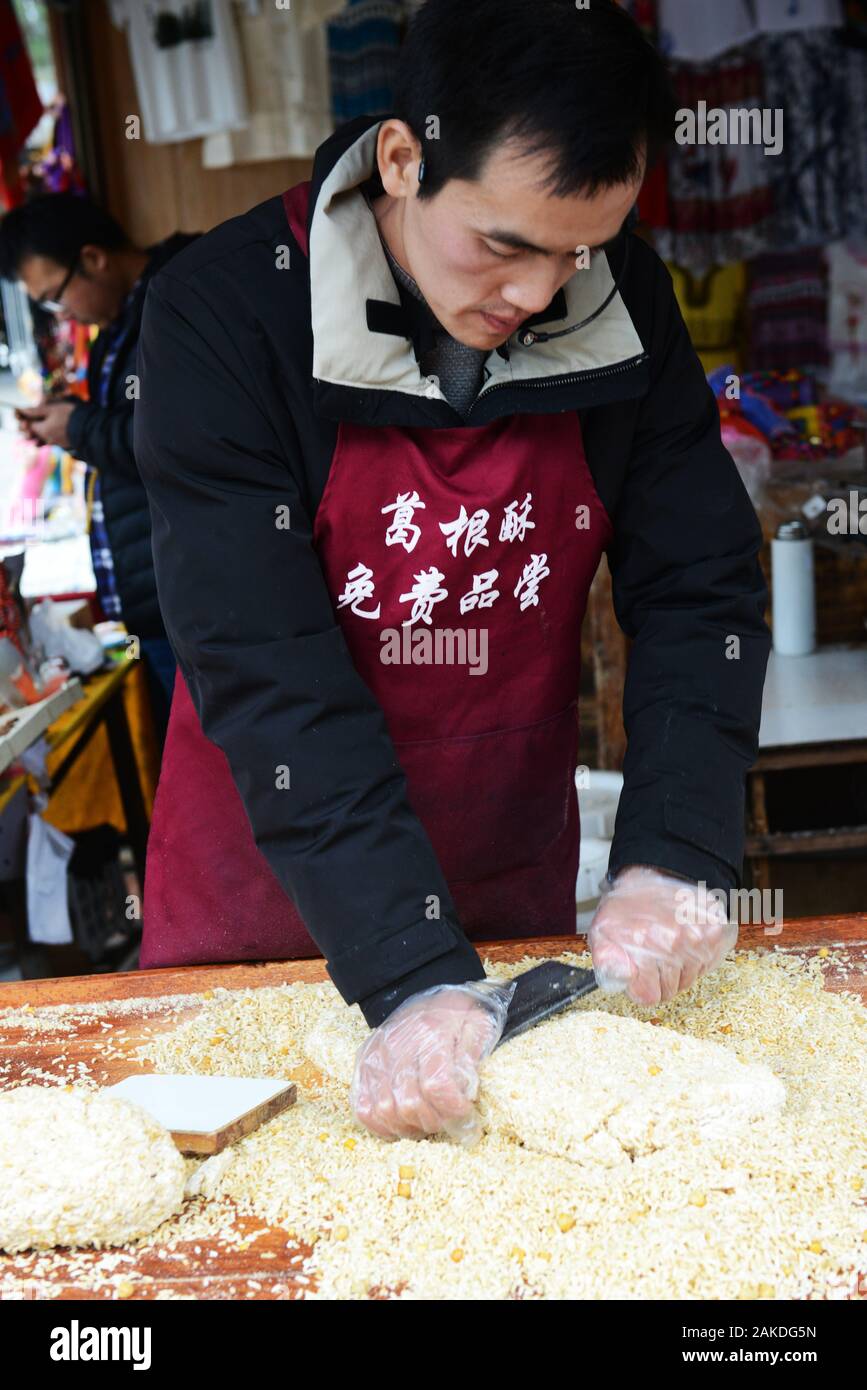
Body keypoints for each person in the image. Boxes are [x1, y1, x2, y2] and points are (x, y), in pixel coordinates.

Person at [135, 0, 771, 1142]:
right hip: (269, 900)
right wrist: (408, 968)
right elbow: (265, 665)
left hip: (503, 874)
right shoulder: (225, 317)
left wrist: (677, 850)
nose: (536, 295)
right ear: (403, 158)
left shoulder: (624, 305)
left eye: (578, 249)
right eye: (504, 244)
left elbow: (699, 586)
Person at [0, 193, 199, 738]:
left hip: (196, 605)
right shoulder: (118, 327)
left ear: (93, 258)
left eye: (56, 298)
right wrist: (69, 426)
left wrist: (80, 427)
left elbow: (182, 438)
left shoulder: (178, 301)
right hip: (160, 606)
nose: (62, 316)